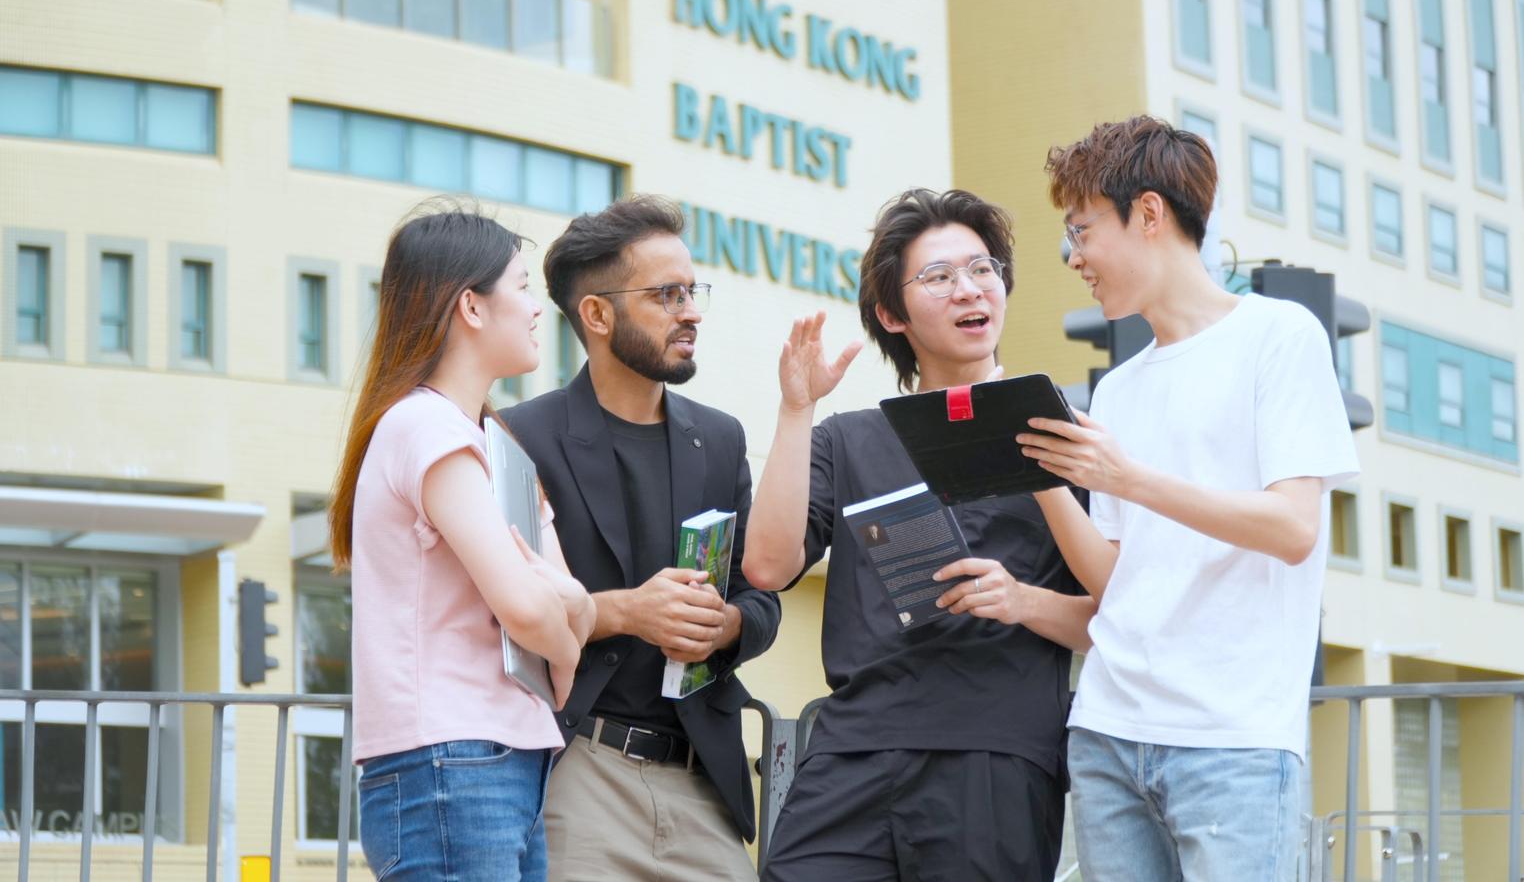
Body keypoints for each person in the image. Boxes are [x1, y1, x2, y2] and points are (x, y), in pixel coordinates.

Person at [1021, 116, 1359, 881]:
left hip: (1232, 740)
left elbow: (1292, 527)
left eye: (1081, 231)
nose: (1075, 257)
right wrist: (1044, 479)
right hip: (1106, 731)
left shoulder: (1281, 335)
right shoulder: (1120, 387)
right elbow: (1113, 583)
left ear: (1148, 214)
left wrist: (1128, 478)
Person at [743, 187, 1095, 882]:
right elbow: (767, 566)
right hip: (851, 751)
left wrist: (1021, 600)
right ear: (890, 313)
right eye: (939, 277)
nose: (970, 289)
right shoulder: (848, 439)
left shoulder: (1071, 436)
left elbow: (1123, 615)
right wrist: (796, 410)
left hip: (995, 758)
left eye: (982, 269)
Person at [505, 195, 781, 882]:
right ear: (597, 315)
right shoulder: (520, 437)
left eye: (692, 292)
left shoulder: (720, 439)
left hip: (703, 783)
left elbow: (761, 598)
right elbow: (505, 613)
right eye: (667, 295)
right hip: (581, 773)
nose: (690, 312)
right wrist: (629, 611)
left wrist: (724, 626)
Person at [329, 202, 595, 882]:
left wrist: (560, 620)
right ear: (470, 307)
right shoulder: (427, 428)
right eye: (522, 286)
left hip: (493, 758)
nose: (537, 308)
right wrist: (561, 645)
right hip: (450, 759)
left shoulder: (493, 446)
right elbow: (537, 610)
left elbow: (576, 604)